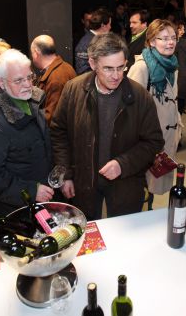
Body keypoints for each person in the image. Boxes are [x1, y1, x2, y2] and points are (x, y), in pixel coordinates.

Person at [50, 33, 164, 220]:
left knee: (123, 237)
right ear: (93, 64)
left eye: (121, 67)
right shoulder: (73, 89)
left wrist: (123, 163)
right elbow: (59, 133)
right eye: (108, 69)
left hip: (125, 184)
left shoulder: (140, 96)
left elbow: (153, 142)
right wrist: (65, 173)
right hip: (83, 181)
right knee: (87, 236)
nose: (116, 76)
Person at [0, 49, 54, 220]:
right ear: (1, 83)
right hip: (14, 212)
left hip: (40, 199)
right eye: (18, 80)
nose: (27, 84)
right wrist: (32, 191)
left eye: (29, 77)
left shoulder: (31, 100)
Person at [128, 19, 181, 204]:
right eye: (164, 38)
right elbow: (129, 109)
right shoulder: (142, 67)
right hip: (147, 142)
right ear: (151, 41)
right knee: (141, 189)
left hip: (166, 139)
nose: (170, 42)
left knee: (152, 189)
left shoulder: (172, 66)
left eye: (173, 37)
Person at [30, 35, 76, 124]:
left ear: (36, 53)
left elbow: (52, 118)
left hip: (57, 136)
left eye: (32, 53)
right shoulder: (64, 67)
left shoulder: (56, 78)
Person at [74, 8, 112, 74]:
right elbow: (83, 71)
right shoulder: (86, 43)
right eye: (109, 24)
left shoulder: (99, 39)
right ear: (103, 25)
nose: (110, 27)